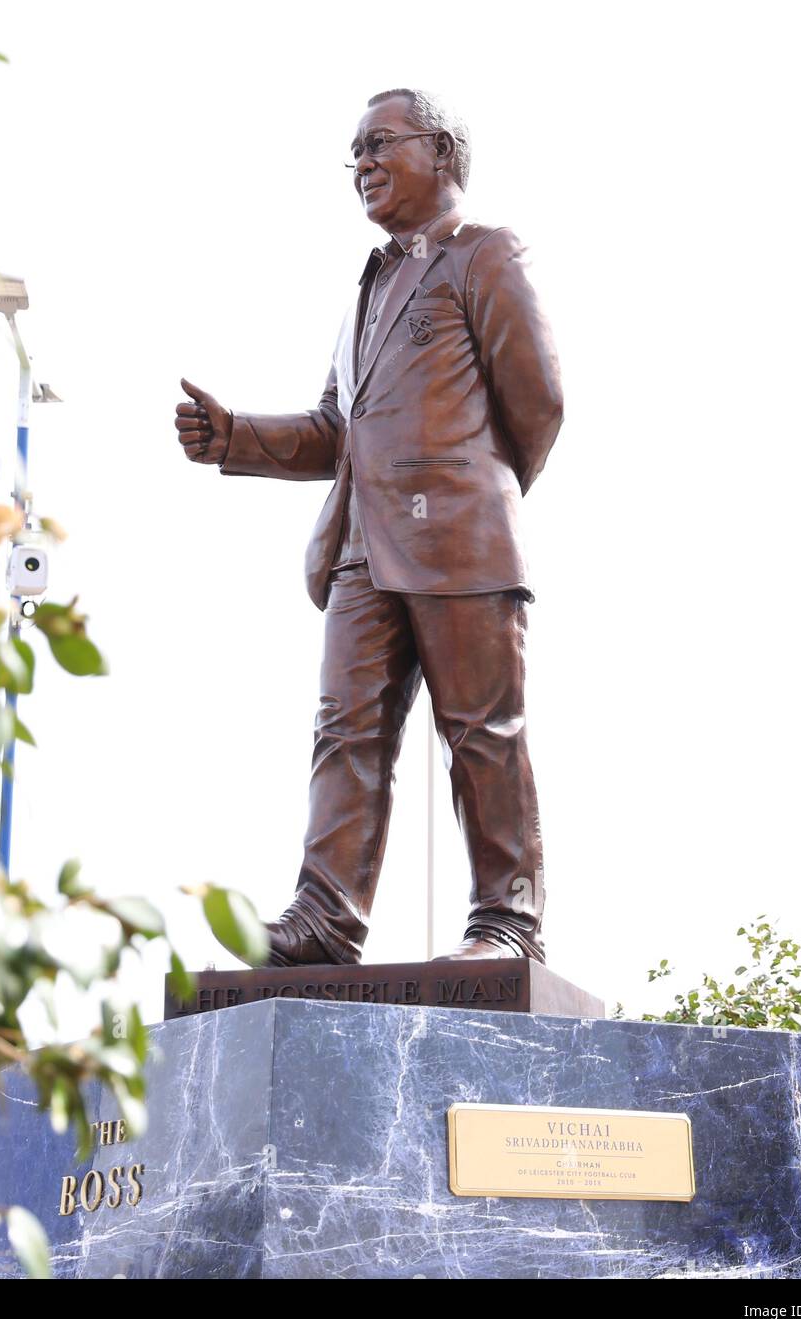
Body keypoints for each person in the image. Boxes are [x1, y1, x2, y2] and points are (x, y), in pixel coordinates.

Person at [175, 88, 563, 968]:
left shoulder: (485, 256)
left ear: (442, 151)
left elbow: (538, 404)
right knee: (345, 732)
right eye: (353, 152)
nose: (362, 164)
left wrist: (470, 499)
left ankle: (508, 922)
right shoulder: (368, 289)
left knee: (482, 732)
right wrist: (233, 434)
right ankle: (324, 918)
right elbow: (335, 429)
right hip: (359, 549)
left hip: (458, 540)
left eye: (379, 143)